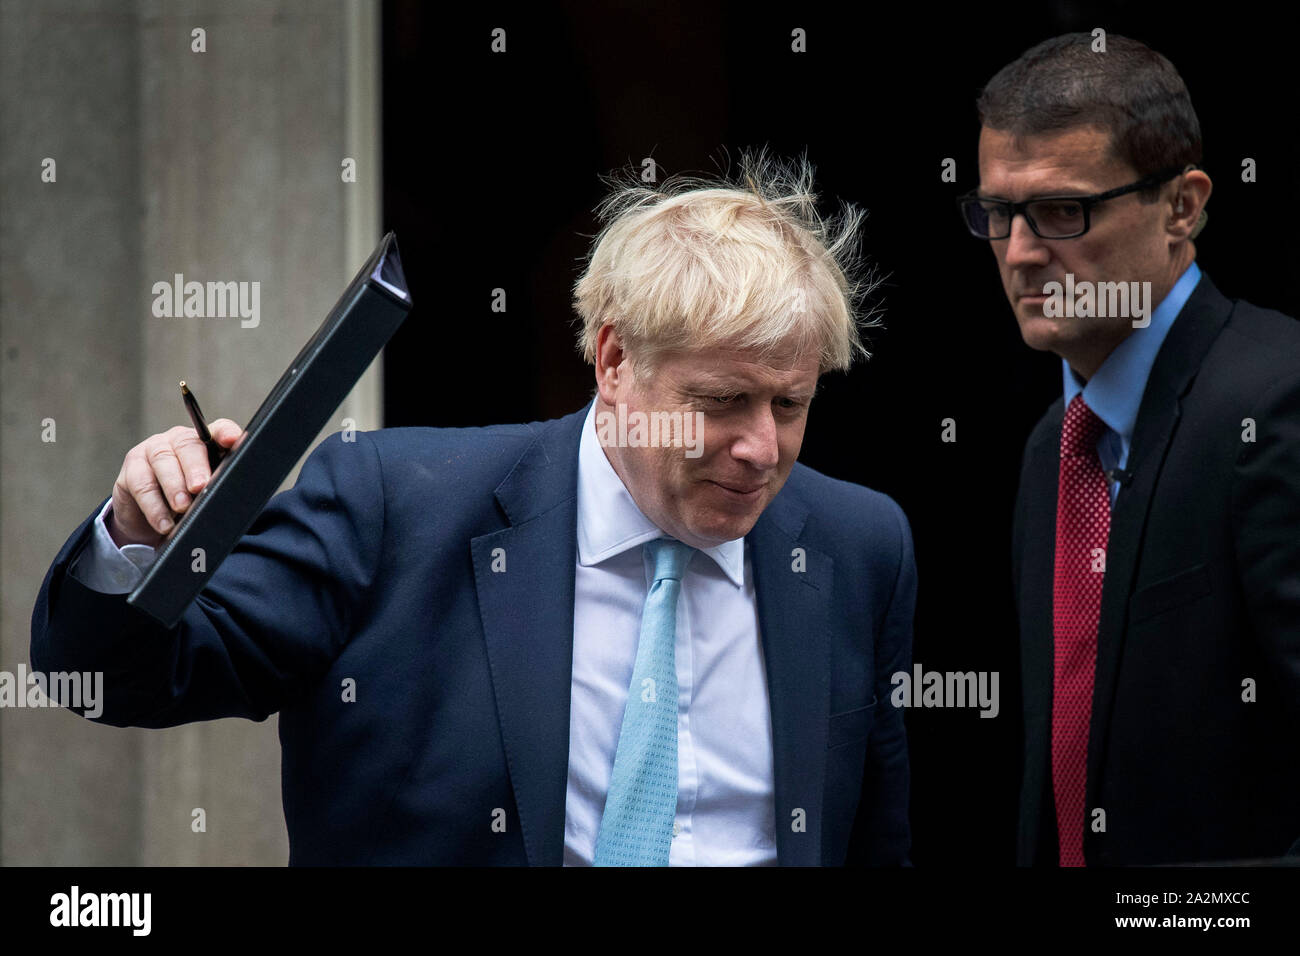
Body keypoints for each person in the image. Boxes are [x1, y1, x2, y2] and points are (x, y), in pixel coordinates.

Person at [31, 154, 916, 866]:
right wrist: (137, 542)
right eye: (722, 401)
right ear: (613, 363)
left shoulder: (856, 545)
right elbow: (115, 680)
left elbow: (878, 840)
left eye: (791, 405)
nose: (762, 448)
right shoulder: (393, 506)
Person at [960, 32, 1300, 866]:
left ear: (1182, 206)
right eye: (999, 213)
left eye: (1063, 211)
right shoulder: (1053, 449)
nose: (1021, 252)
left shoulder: (1277, 401)